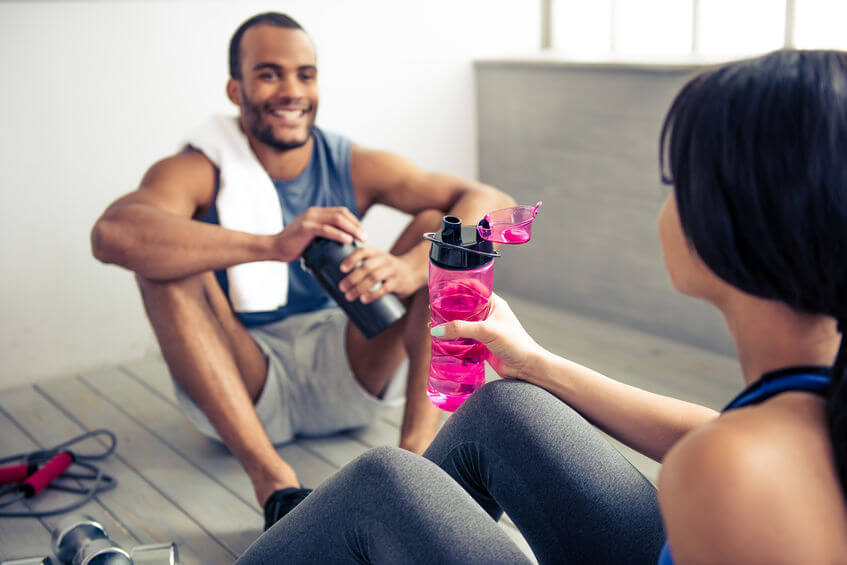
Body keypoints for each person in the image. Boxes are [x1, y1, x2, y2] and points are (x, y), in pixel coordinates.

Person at [234, 49, 847, 563]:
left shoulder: (727, 475)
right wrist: (534, 362)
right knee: (507, 406)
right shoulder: (803, 403)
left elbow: (722, 452)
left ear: (732, 220)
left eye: (674, 183)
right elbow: (718, 431)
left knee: (383, 485)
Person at [90, 11, 514, 528]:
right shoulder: (199, 167)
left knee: (440, 232)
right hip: (248, 381)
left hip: (350, 369)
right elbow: (112, 235)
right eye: (269, 74)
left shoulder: (348, 160)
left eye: (305, 74)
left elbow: (492, 201)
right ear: (235, 88)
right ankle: (276, 487)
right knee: (163, 263)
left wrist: (405, 269)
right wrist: (271, 244)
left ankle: (418, 463)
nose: (291, 90)